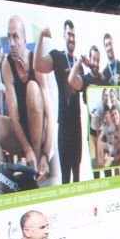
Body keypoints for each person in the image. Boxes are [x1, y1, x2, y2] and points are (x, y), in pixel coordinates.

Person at [0, 16, 54, 182]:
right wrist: (26, 148)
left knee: (32, 88)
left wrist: (45, 154)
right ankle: (4, 177)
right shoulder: (7, 65)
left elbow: (49, 114)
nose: (12, 43)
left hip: (39, 129)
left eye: (15, 37)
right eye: (9, 37)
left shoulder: (35, 62)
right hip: (21, 131)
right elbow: (13, 116)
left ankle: (36, 166)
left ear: (24, 39)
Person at [35, 20, 85, 183]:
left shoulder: (79, 64)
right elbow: (37, 65)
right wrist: (41, 36)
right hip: (64, 125)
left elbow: (87, 95)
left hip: (77, 125)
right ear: (64, 35)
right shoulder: (57, 56)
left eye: (74, 35)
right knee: (65, 177)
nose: (72, 38)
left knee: (77, 174)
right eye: (69, 34)